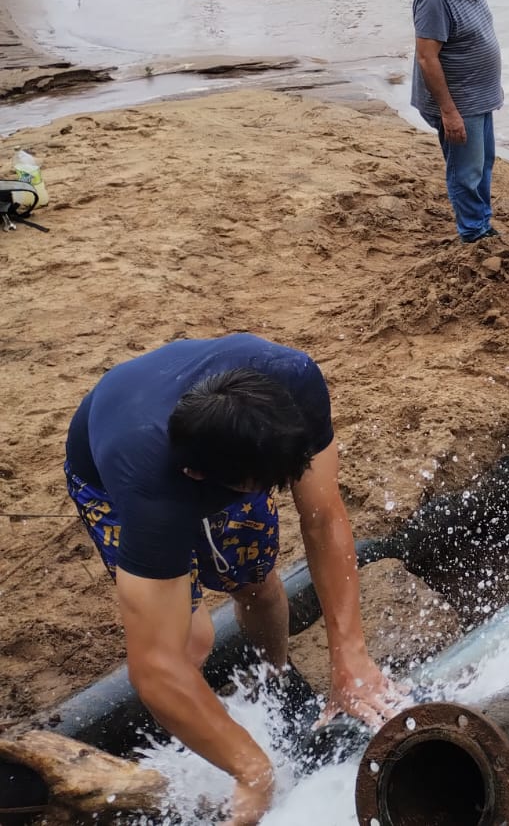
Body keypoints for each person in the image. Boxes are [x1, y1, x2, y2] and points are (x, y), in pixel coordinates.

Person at [64, 335, 408, 825]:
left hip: (221, 444)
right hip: (110, 478)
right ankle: (209, 752)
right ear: (200, 476)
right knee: (190, 643)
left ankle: (275, 684)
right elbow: (154, 668)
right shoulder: (152, 494)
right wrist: (253, 772)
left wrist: (350, 658)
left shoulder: (291, 385)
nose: (274, 495)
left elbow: (323, 518)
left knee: (257, 584)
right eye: (265, 488)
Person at [412, 0, 504, 243]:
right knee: (465, 172)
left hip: (480, 97)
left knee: (484, 164)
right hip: (459, 103)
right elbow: (427, 57)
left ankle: (481, 222)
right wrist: (449, 112)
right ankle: (473, 233)